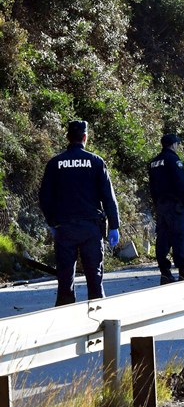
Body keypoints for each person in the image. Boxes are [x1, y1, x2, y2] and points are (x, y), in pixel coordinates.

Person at [39, 120, 120, 306]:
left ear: (68, 137)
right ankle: (98, 319)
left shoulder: (55, 163)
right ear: (85, 137)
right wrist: (114, 226)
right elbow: (108, 197)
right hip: (91, 228)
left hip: (64, 228)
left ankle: (65, 321)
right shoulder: (96, 161)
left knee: (65, 278)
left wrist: (52, 222)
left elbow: (44, 197)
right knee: (95, 277)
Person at [149, 133, 184, 284]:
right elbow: (181, 183)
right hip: (174, 206)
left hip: (161, 206)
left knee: (163, 238)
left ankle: (165, 273)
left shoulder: (154, 162)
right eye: (177, 144)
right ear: (173, 144)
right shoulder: (174, 160)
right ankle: (183, 271)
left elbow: (152, 187)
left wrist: (157, 204)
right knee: (179, 237)